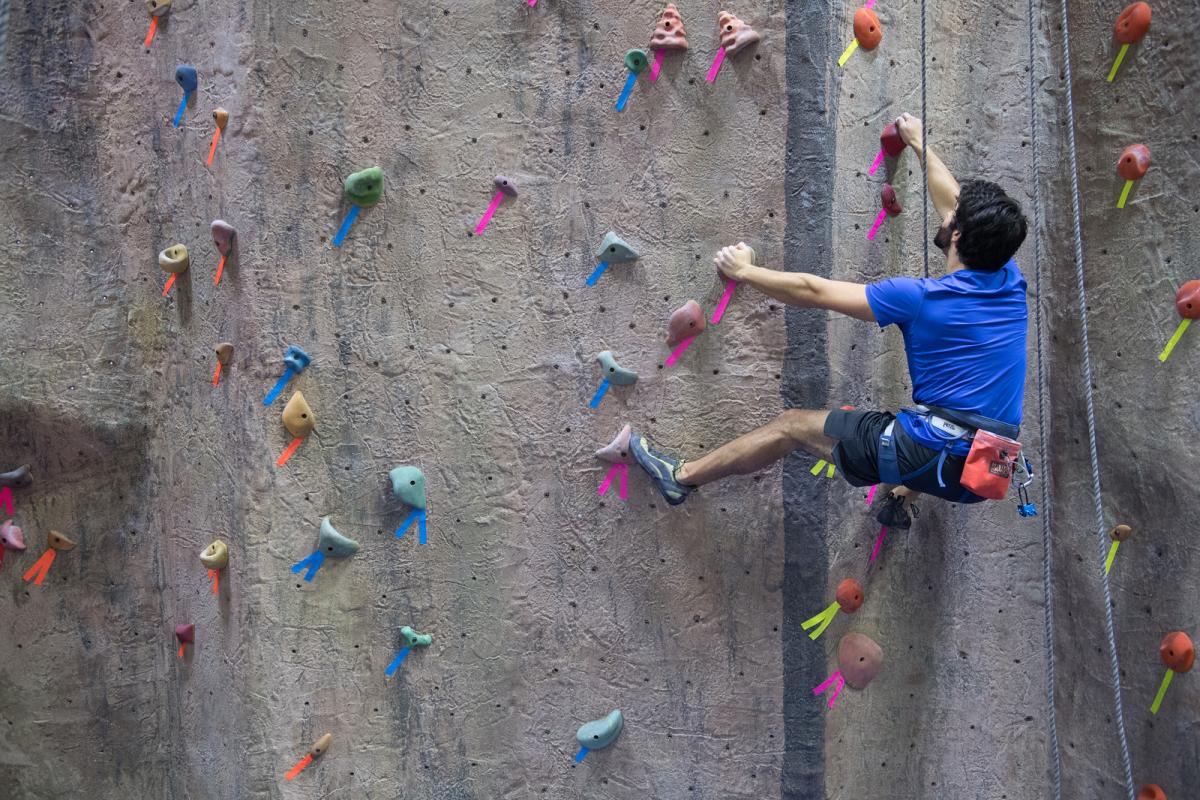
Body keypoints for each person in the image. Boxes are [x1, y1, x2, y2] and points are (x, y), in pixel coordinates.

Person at [630, 113, 1030, 529]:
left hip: (932, 454)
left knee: (792, 427)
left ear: (959, 235)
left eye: (955, 217)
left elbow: (815, 291)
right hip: (987, 473)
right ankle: (899, 499)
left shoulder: (919, 299)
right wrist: (919, 143)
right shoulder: (1009, 280)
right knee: (942, 418)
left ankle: (680, 478)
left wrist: (745, 272)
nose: (947, 211)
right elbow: (953, 203)